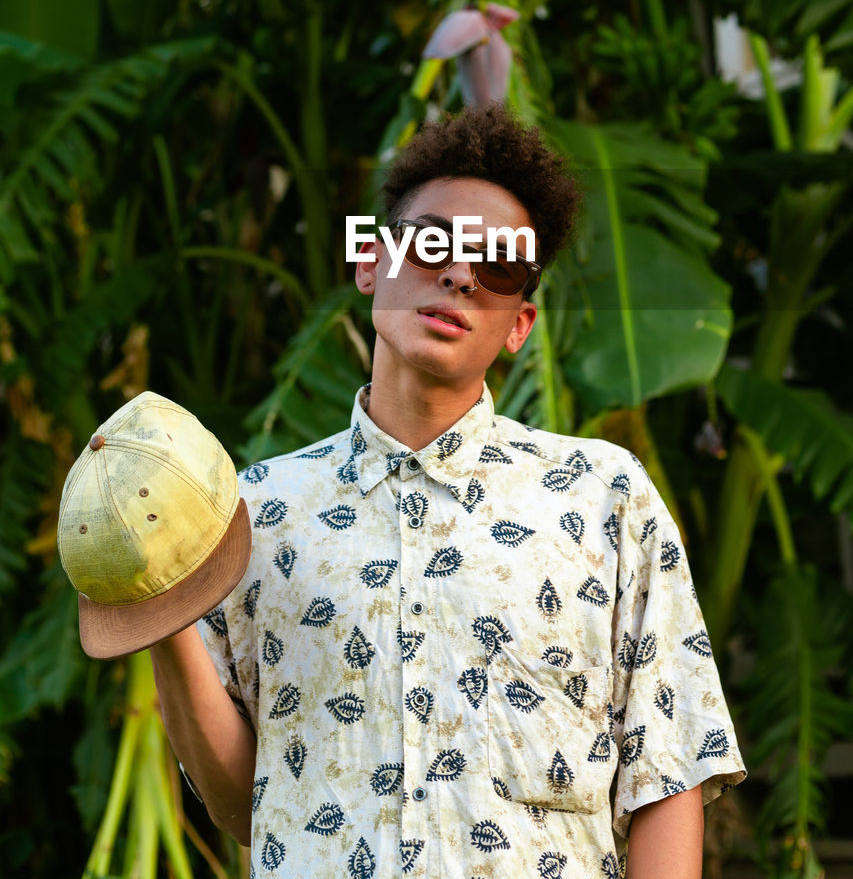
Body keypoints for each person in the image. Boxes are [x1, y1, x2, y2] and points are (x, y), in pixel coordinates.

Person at [150, 105, 745, 878]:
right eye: (432, 242)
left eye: (496, 267)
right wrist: (161, 617)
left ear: (517, 323)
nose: (459, 273)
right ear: (370, 261)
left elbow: (666, 776)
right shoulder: (254, 512)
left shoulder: (605, 498)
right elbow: (247, 803)